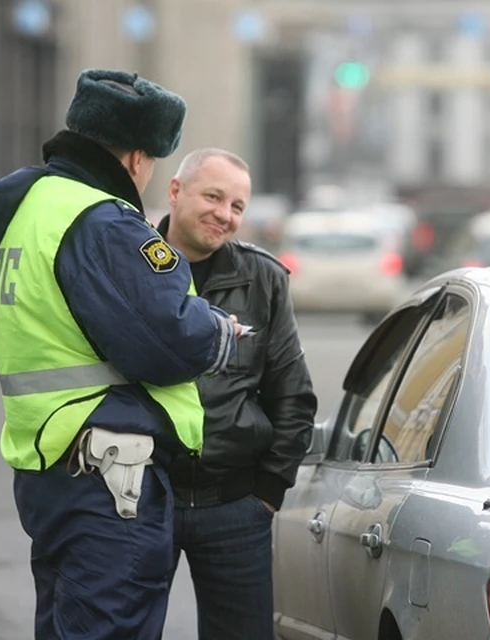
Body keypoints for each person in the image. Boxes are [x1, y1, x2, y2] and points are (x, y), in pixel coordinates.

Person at [0, 70, 242, 639]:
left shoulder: (25, 211)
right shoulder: (103, 220)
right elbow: (169, 337)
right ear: (138, 159)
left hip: (51, 467)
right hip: (110, 482)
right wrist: (217, 331)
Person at [157, 148, 317, 639]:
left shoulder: (262, 278)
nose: (225, 215)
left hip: (235, 507)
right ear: (176, 190)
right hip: (141, 502)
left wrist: (267, 493)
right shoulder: (133, 266)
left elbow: (293, 394)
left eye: (237, 206)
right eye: (213, 197)